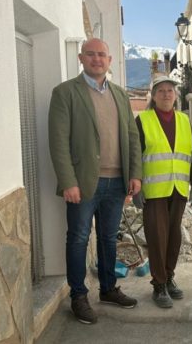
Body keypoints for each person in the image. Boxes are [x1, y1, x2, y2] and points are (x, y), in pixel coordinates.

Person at [48, 38, 142, 325]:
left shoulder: (119, 94)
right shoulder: (65, 92)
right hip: (83, 182)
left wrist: (135, 174)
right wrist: (68, 182)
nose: (97, 59)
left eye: (102, 54)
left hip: (116, 182)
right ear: (81, 58)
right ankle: (78, 296)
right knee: (77, 238)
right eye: (91, 54)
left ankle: (108, 288)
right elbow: (58, 141)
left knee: (108, 238)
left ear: (110, 60)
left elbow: (131, 137)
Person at [133, 74, 192, 308]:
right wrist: (135, 185)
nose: (166, 94)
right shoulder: (144, 120)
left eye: (170, 91)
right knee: (156, 237)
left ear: (175, 95)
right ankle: (158, 284)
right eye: (161, 90)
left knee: (174, 236)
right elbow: (136, 155)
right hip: (154, 189)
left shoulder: (183, 120)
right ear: (153, 95)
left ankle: (169, 277)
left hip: (178, 187)